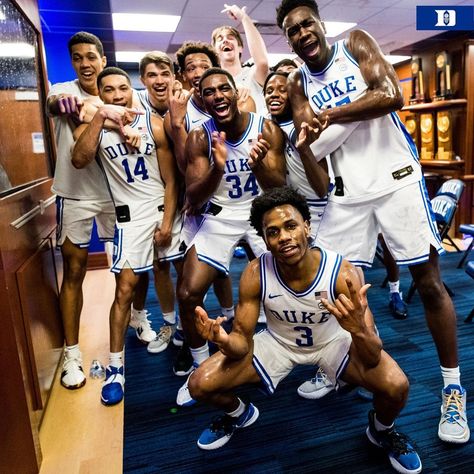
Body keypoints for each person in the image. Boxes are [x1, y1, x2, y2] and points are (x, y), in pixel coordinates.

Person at [276, 0, 469, 443]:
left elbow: (391, 95)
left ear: (320, 25)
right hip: (347, 193)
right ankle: (348, 367)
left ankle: (452, 386)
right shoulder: (297, 82)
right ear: (288, 39)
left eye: (307, 24)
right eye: (292, 30)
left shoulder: (355, 45)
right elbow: (316, 156)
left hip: (396, 180)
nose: (302, 33)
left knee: (428, 282)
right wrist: (314, 138)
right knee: (339, 287)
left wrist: (333, 116)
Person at [188, 187, 422, 474]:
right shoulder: (254, 273)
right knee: (199, 384)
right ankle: (239, 413)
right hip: (278, 344)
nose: (283, 236)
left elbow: (373, 356)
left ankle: (382, 430)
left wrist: (358, 330)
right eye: (273, 232)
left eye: (290, 226)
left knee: (396, 385)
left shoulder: (342, 272)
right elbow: (241, 344)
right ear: (264, 240)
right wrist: (223, 340)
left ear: (307, 228)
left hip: (332, 343)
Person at [175, 67, 286, 405]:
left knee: (293, 281)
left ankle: (297, 350)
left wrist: (259, 165)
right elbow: (194, 197)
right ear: (203, 99)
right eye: (209, 92)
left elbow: (280, 188)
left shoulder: (264, 128)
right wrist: (218, 167)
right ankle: (197, 364)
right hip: (220, 217)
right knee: (188, 291)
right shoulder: (199, 136)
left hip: (259, 213)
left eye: (224, 89)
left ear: (236, 94)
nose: (218, 96)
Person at [72, 67, 180, 405]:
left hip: (162, 211)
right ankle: (116, 366)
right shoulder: (94, 127)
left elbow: (171, 180)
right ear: (100, 95)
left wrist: (166, 221)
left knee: (187, 282)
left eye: (123, 88)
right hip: (129, 218)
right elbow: (79, 159)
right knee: (125, 288)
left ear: (131, 90)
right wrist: (102, 116)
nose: (118, 95)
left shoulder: (153, 124)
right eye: (109, 91)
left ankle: (187, 342)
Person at [165, 41, 241, 374]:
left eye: (203, 66)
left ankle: (231, 318)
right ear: (183, 75)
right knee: (190, 280)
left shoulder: (227, 96)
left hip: (234, 199)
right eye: (191, 68)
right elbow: (184, 166)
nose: (198, 73)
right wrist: (179, 123)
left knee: (224, 272)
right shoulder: (179, 109)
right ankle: (192, 340)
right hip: (196, 201)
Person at [46, 31, 115, 390]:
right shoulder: (62, 89)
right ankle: (72, 354)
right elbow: (56, 103)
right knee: (74, 270)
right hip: (74, 195)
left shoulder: (117, 93)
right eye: (78, 58)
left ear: (102, 60)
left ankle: (136, 317)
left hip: (116, 195)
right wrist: (67, 105)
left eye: (91, 56)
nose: (85, 64)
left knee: (129, 266)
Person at [134, 51, 185, 354]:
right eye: (151, 75)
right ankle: (169, 321)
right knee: (160, 265)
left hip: (193, 194)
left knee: (188, 268)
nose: (159, 80)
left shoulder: (187, 102)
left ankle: (188, 322)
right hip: (158, 196)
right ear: (143, 81)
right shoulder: (135, 107)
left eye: (164, 73)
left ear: (173, 76)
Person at [212, 3, 269, 115]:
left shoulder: (252, 74)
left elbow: (262, 62)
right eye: (220, 39)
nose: (225, 41)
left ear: (240, 48)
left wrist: (243, 18)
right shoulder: (214, 83)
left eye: (230, 38)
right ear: (215, 51)